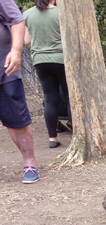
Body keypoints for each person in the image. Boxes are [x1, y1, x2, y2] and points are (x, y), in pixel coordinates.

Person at [0, 0, 39, 183]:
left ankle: (29, 162)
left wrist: (16, 51)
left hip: (4, 70)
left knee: (16, 121)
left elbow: (17, 20)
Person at [24, 0, 70, 149]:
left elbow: (27, 42)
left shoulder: (27, 14)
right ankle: (78, 133)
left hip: (40, 60)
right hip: (61, 59)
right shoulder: (61, 13)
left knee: (50, 98)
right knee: (70, 97)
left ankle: (52, 138)